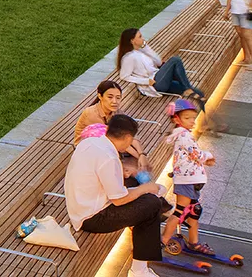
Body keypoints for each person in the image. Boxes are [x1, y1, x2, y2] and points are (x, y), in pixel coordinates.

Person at [63, 113, 171, 276]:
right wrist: (147, 188)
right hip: (92, 218)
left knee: (137, 186)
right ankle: (139, 270)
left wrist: (131, 178)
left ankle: (148, 222)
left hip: (80, 207)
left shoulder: (91, 142)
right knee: (151, 204)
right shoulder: (109, 157)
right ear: (128, 137)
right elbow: (119, 200)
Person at [161, 98, 216, 256]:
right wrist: (209, 156)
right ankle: (162, 241)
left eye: (193, 117)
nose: (192, 121)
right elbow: (196, 154)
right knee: (180, 212)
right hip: (186, 182)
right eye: (187, 118)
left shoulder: (185, 135)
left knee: (194, 211)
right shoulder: (184, 136)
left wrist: (205, 160)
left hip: (191, 181)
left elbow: (192, 157)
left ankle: (194, 243)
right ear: (176, 119)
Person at [75, 82, 149, 177]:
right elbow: (115, 139)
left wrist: (142, 154)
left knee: (136, 166)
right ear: (100, 96)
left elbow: (129, 134)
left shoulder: (115, 111)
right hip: (89, 151)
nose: (115, 101)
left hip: (109, 146)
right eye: (110, 97)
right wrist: (139, 157)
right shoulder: (91, 114)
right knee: (132, 170)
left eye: (118, 98)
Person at [117, 27, 206, 101]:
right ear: (132, 40)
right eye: (140, 37)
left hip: (161, 78)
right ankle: (187, 88)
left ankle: (191, 92)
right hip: (155, 85)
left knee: (199, 93)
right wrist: (146, 81)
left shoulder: (141, 51)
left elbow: (158, 61)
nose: (143, 38)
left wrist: (146, 47)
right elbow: (124, 76)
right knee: (175, 60)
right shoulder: (128, 57)